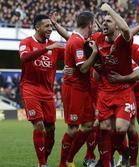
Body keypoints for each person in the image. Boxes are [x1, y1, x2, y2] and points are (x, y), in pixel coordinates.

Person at [91, 3, 139, 167]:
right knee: (104, 128)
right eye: (103, 21)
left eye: (109, 21)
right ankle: (106, 161)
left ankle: (124, 152)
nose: (105, 23)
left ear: (116, 25)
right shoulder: (97, 39)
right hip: (105, 92)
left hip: (123, 92)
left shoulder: (123, 41)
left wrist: (110, 10)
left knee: (121, 129)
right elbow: (76, 40)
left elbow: (127, 30)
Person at [18, 14, 65, 167]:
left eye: (51, 26)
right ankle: (42, 164)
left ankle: (43, 160)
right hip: (29, 89)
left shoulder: (55, 46)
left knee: (51, 129)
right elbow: (24, 58)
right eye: (47, 26)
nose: (50, 29)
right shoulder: (26, 42)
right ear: (37, 27)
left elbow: (73, 50)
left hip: (48, 93)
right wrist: (46, 49)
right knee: (39, 125)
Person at [59, 11, 98, 167]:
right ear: (89, 25)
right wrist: (94, 53)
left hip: (84, 88)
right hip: (74, 89)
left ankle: (70, 158)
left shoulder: (82, 39)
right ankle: (64, 162)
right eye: (94, 24)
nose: (95, 27)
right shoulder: (76, 41)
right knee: (73, 128)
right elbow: (82, 68)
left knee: (89, 124)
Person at [108, 43, 139, 167]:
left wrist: (121, 79)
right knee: (125, 126)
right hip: (123, 91)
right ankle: (127, 159)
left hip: (138, 90)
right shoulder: (112, 49)